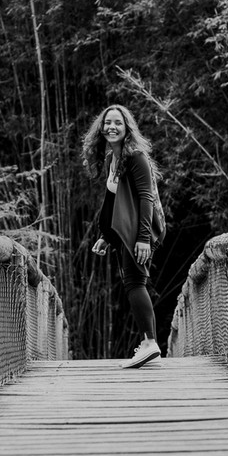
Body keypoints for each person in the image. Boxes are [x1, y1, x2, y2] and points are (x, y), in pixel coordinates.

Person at [82, 104, 166, 369]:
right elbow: (110, 199)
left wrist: (143, 237)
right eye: (107, 123)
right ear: (101, 128)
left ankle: (150, 342)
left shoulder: (136, 157)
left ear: (127, 127)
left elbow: (146, 197)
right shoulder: (112, 160)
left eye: (118, 123)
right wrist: (105, 235)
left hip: (138, 229)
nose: (112, 127)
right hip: (124, 230)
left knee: (135, 282)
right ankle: (149, 343)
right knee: (133, 282)